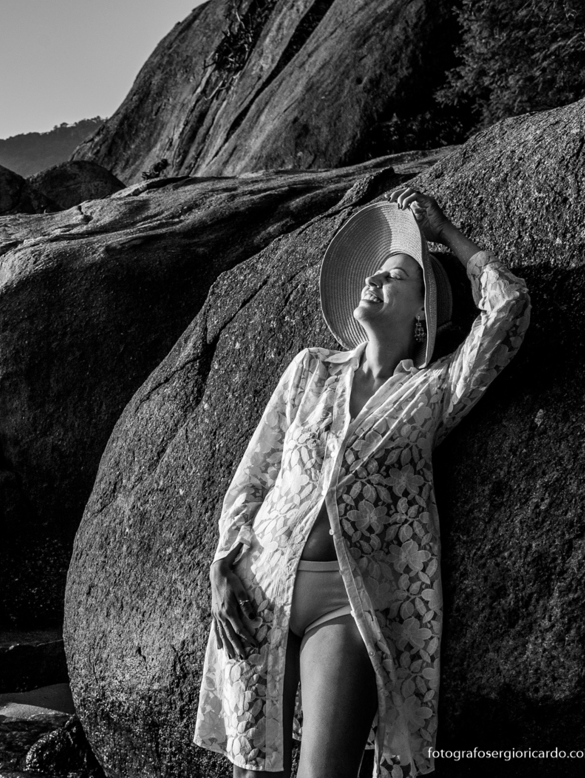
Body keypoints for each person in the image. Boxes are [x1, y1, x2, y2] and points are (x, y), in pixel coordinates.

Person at [192, 189, 531, 778]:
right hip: (256, 590)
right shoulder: (310, 369)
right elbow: (255, 475)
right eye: (374, 274)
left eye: (397, 276)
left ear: (423, 310)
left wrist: (445, 230)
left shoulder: (433, 390)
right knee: (251, 771)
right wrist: (221, 564)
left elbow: (509, 309)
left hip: (348, 608)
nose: (375, 281)